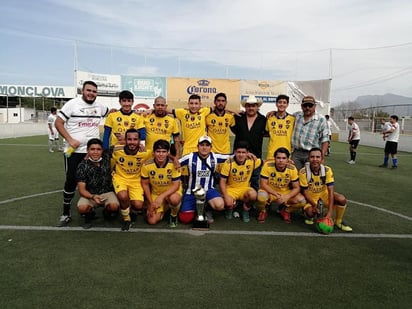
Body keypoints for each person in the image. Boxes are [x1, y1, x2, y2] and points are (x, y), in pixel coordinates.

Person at [55, 80, 109, 227]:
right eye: (89, 90)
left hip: (93, 152)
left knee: (93, 181)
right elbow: (58, 123)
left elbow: (113, 113)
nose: (91, 93)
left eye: (94, 91)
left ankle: (88, 211)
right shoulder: (72, 104)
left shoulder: (100, 106)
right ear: (82, 91)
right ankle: (66, 213)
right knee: (71, 181)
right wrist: (69, 139)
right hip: (74, 152)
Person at [178, 135, 231, 224]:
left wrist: (248, 154)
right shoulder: (190, 157)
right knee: (185, 219)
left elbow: (231, 156)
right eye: (202, 145)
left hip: (208, 190)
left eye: (207, 145)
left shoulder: (214, 157)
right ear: (197, 146)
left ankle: (206, 208)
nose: (204, 147)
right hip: (191, 192)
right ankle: (197, 208)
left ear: (211, 147)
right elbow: (176, 163)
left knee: (220, 205)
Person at [299, 148, 352, 232]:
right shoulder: (303, 172)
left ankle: (338, 221)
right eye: (312, 157)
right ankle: (312, 215)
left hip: (324, 196)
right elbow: (305, 192)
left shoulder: (327, 170)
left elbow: (331, 191)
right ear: (308, 159)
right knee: (310, 213)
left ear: (322, 159)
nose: (315, 159)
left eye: (317, 157)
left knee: (341, 199)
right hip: (311, 199)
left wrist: (330, 212)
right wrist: (314, 205)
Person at [111, 128, 151, 231]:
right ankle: (126, 219)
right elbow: (101, 150)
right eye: (129, 139)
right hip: (120, 178)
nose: (132, 142)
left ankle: (131, 210)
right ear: (125, 140)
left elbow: (160, 154)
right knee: (123, 195)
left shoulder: (145, 153)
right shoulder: (116, 150)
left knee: (138, 205)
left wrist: (174, 159)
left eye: (135, 139)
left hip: (136, 181)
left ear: (139, 141)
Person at [76, 138, 119, 229]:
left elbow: (119, 144)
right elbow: (81, 189)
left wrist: (139, 144)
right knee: (82, 208)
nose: (95, 152)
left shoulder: (106, 156)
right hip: (91, 194)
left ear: (102, 150)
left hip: (107, 192)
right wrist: (92, 196)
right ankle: (89, 215)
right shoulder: (82, 166)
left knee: (114, 206)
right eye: (92, 149)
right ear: (87, 150)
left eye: (98, 149)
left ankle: (107, 214)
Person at [256, 147, 306, 224]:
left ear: (287, 159)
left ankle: (286, 211)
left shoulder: (292, 168)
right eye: (278, 158)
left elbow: (297, 187)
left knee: (302, 201)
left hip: (285, 192)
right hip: (270, 192)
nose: (281, 160)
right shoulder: (267, 166)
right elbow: (263, 184)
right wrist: (275, 194)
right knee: (261, 197)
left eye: (283, 158)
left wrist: (287, 196)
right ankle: (263, 211)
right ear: (274, 158)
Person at [141, 140, 182, 227]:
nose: (161, 154)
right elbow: (145, 184)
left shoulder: (174, 165)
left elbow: (176, 185)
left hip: (171, 192)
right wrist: (151, 203)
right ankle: (166, 207)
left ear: (168, 153)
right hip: (156, 193)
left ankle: (173, 215)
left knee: (174, 199)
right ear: (153, 153)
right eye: (158, 151)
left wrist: (161, 197)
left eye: (164, 152)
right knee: (152, 220)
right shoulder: (146, 165)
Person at [219, 141, 262, 223]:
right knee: (226, 202)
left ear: (247, 153)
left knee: (253, 195)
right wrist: (225, 195)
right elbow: (222, 181)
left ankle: (245, 209)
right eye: (238, 152)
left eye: (243, 152)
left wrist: (287, 161)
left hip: (244, 189)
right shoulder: (229, 163)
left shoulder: (252, 160)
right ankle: (230, 208)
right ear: (235, 152)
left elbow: (267, 162)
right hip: (231, 190)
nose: (241, 155)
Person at [231, 95, 267, 191]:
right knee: (237, 178)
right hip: (239, 153)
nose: (251, 108)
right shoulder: (238, 117)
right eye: (248, 106)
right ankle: (236, 199)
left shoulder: (263, 119)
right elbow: (234, 130)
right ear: (245, 107)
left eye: (253, 106)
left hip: (256, 154)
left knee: (254, 179)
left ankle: (250, 203)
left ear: (257, 107)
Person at [291, 96, 329, 171]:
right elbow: (284, 115)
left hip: (312, 154)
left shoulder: (321, 119)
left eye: (310, 105)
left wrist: (321, 157)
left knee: (310, 177)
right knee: (294, 177)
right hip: (296, 153)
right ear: (301, 106)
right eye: (305, 105)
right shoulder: (296, 116)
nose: (307, 108)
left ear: (314, 106)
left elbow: (325, 140)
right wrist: (274, 112)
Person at [265, 94, 295, 160]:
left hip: (286, 153)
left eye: (284, 103)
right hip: (272, 152)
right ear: (276, 104)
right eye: (280, 102)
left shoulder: (292, 119)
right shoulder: (269, 118)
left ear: (287, 105)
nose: (282, 104)